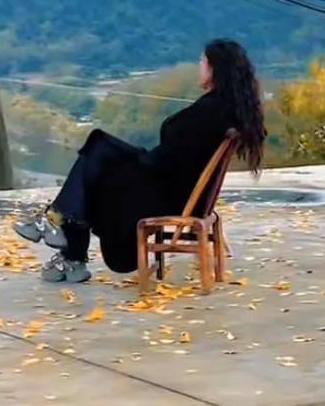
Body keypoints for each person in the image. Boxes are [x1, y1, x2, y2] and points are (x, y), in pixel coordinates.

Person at [15, 38, 266, 284]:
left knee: (96, 158)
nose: (198, 66)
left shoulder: (210, 110)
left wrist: (130, 160)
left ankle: (65, 241)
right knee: (97, 149)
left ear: (215, 68)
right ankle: (64, 242)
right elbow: (174, 156)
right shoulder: (222, 108)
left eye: (202, 61)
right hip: (171, 187)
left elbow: (167, 162)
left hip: (164, 193)